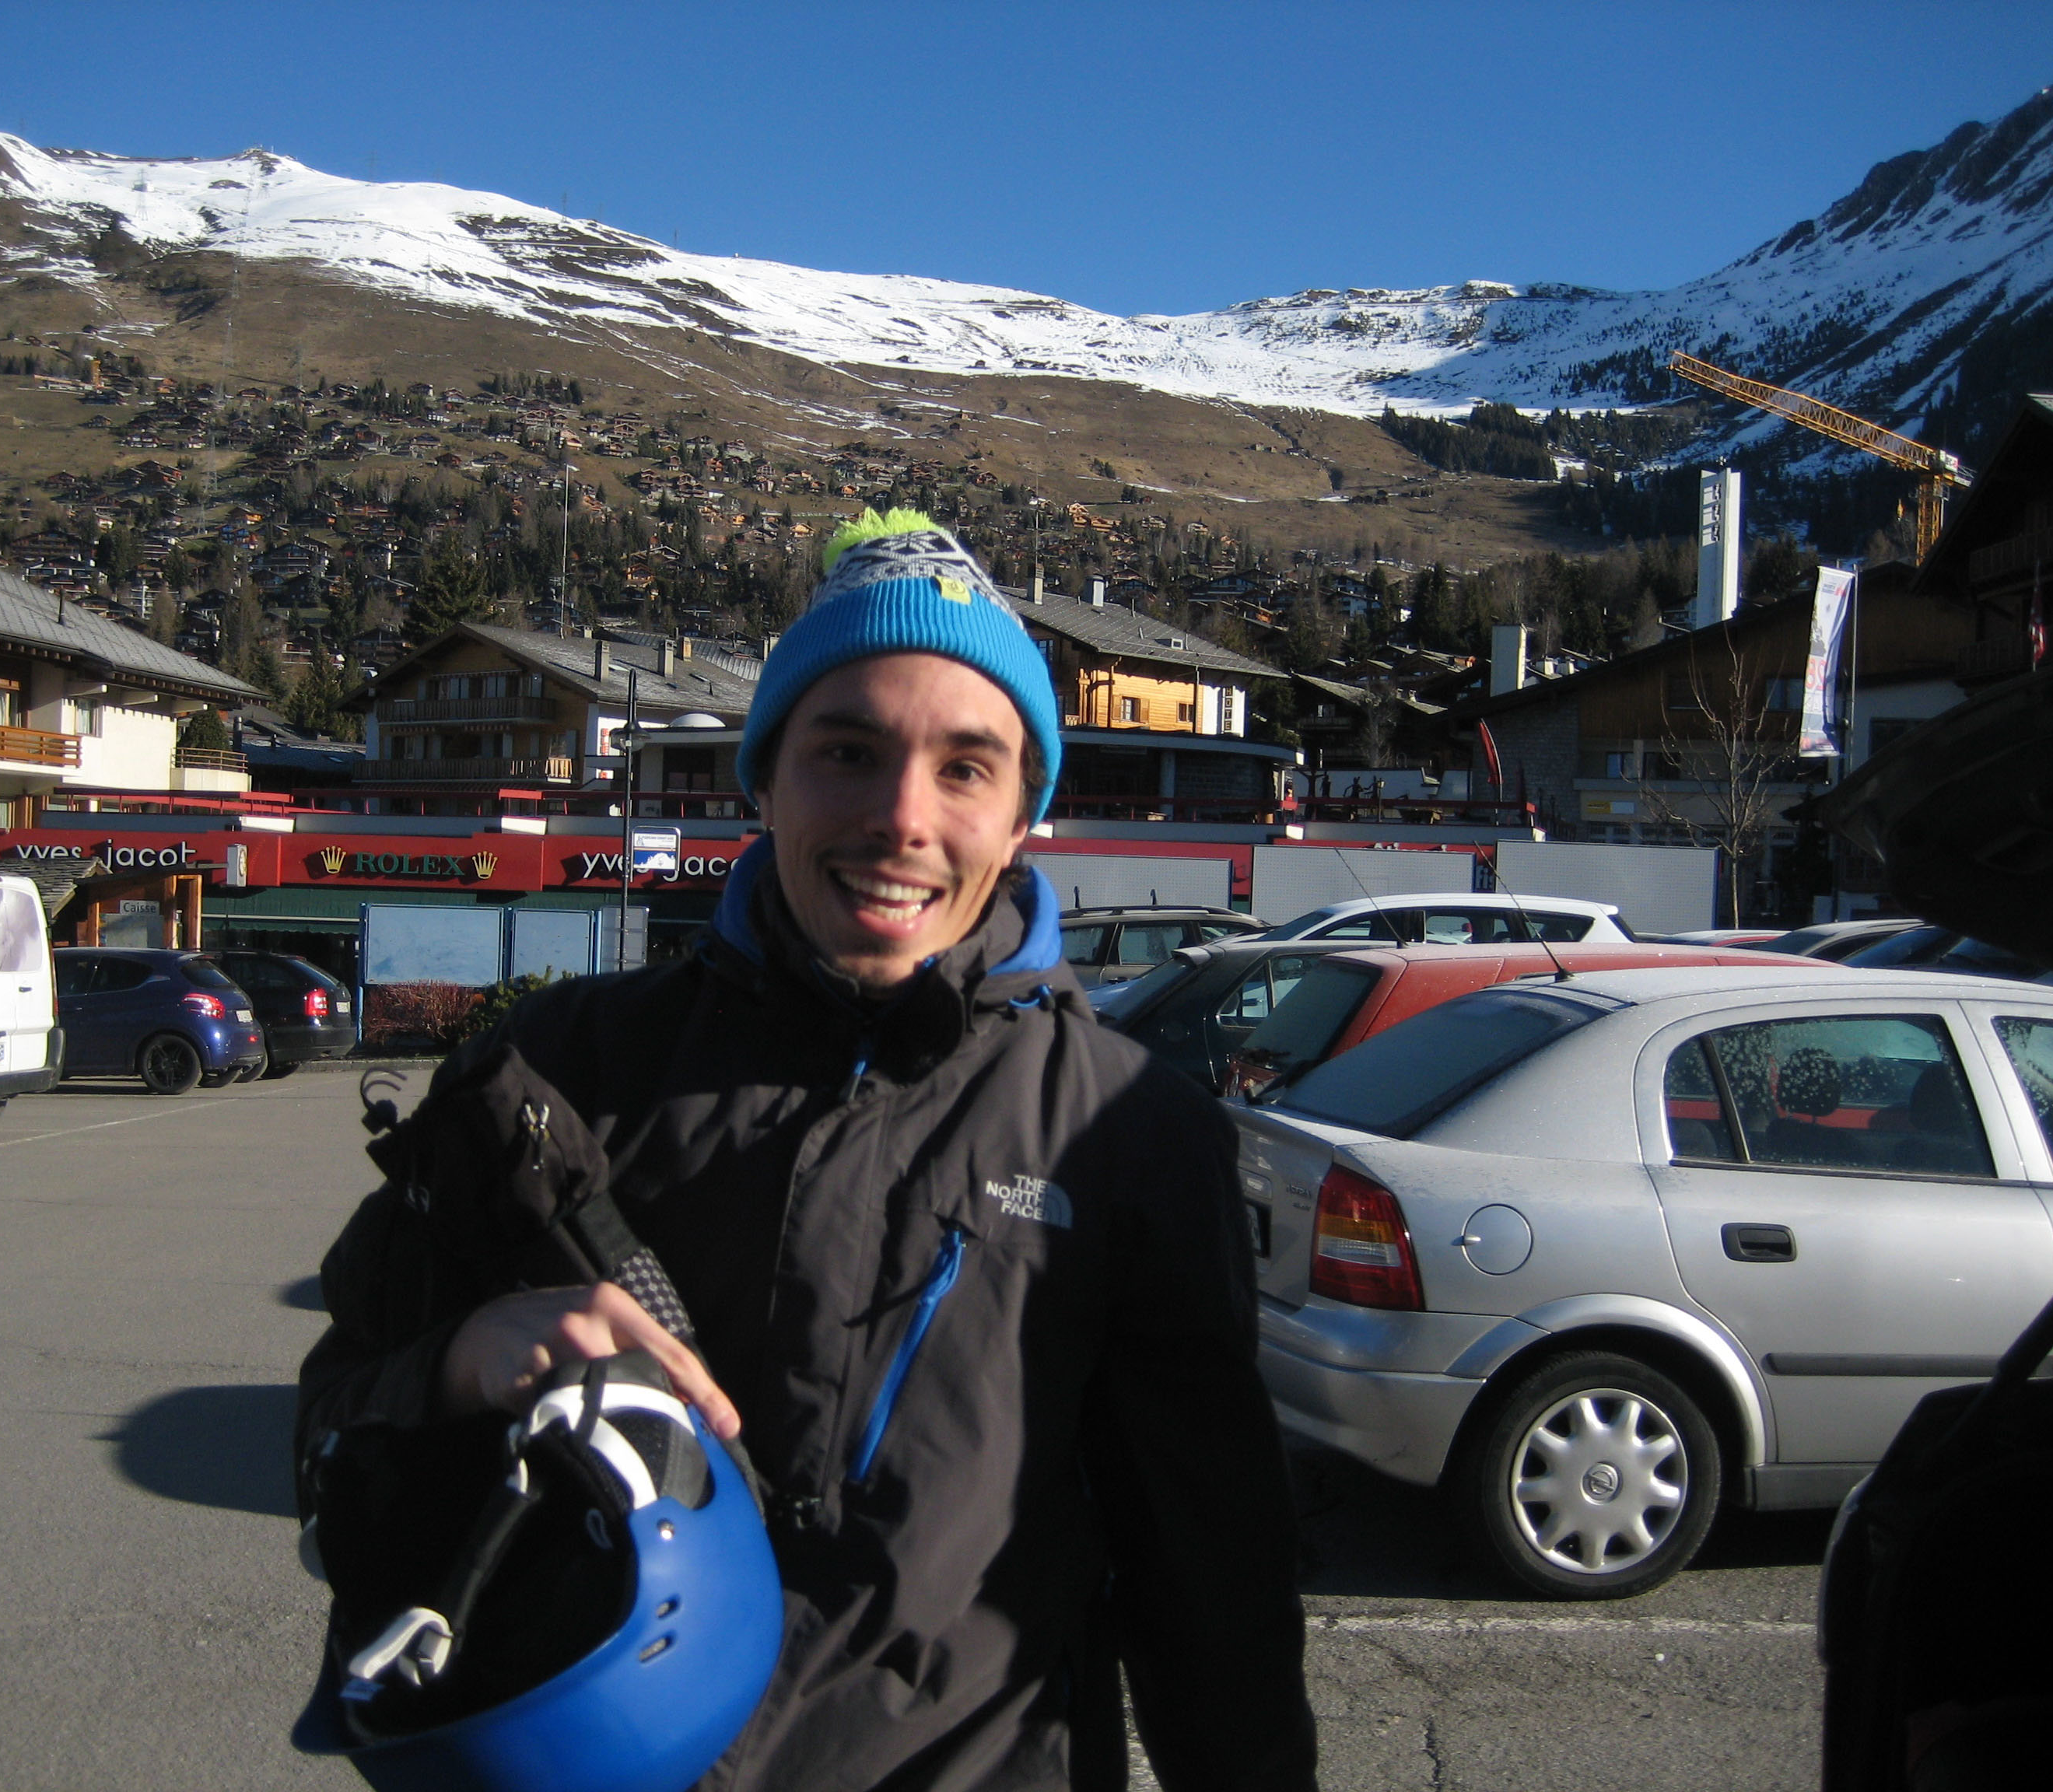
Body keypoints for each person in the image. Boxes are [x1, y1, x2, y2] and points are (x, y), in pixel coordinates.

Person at [298, 510, 1318, 1790]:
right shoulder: (562, 1074)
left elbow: (1210, 1579)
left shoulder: (1129, 1135)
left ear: (1021, 822)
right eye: (848, 751)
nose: (902, 816)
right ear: (764, 776)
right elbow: (332, 1429)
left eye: (966, 768)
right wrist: (460, 1364)